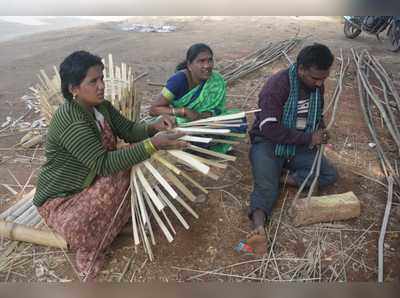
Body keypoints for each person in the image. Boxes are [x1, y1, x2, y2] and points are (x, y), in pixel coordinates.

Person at [33, 50, 187, 280]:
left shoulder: (101, 107)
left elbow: (129, 130)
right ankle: (90, 249)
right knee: (85, 221)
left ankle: (108, 225)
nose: (101, 86)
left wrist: (154, 127)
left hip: (89, 183)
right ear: (74, 89)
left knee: (128, 164)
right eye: (93, 81)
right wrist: (152, 145)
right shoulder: (70, 119)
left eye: (102, 78)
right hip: (61, 198)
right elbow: (103, 164)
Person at [247, 43, 338, 252]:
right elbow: (269, 128)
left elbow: (317, 113)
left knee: (328, 175)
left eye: (324, 78)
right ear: (301, 69)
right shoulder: (276, 86)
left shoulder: (316, 84)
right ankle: (258, 229)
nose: (319, 83)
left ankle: (279, 177)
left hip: (298, 143)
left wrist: (320, 130)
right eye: (315, 78)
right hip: (269, 143)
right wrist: (308, 138)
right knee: (265, 189)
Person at [149, 43, 247, 153]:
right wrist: (183, 111)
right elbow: (153, 109)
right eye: (201, 61)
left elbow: (218, 108)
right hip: (183, 123)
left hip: (205, 121)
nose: (207, 65)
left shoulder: (216, 80)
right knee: (182, 134)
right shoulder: (178, 80)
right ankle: (202, 145)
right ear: (189, 65)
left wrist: (208, 115)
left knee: (239, 119)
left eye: (210, 60)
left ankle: (206, 144)